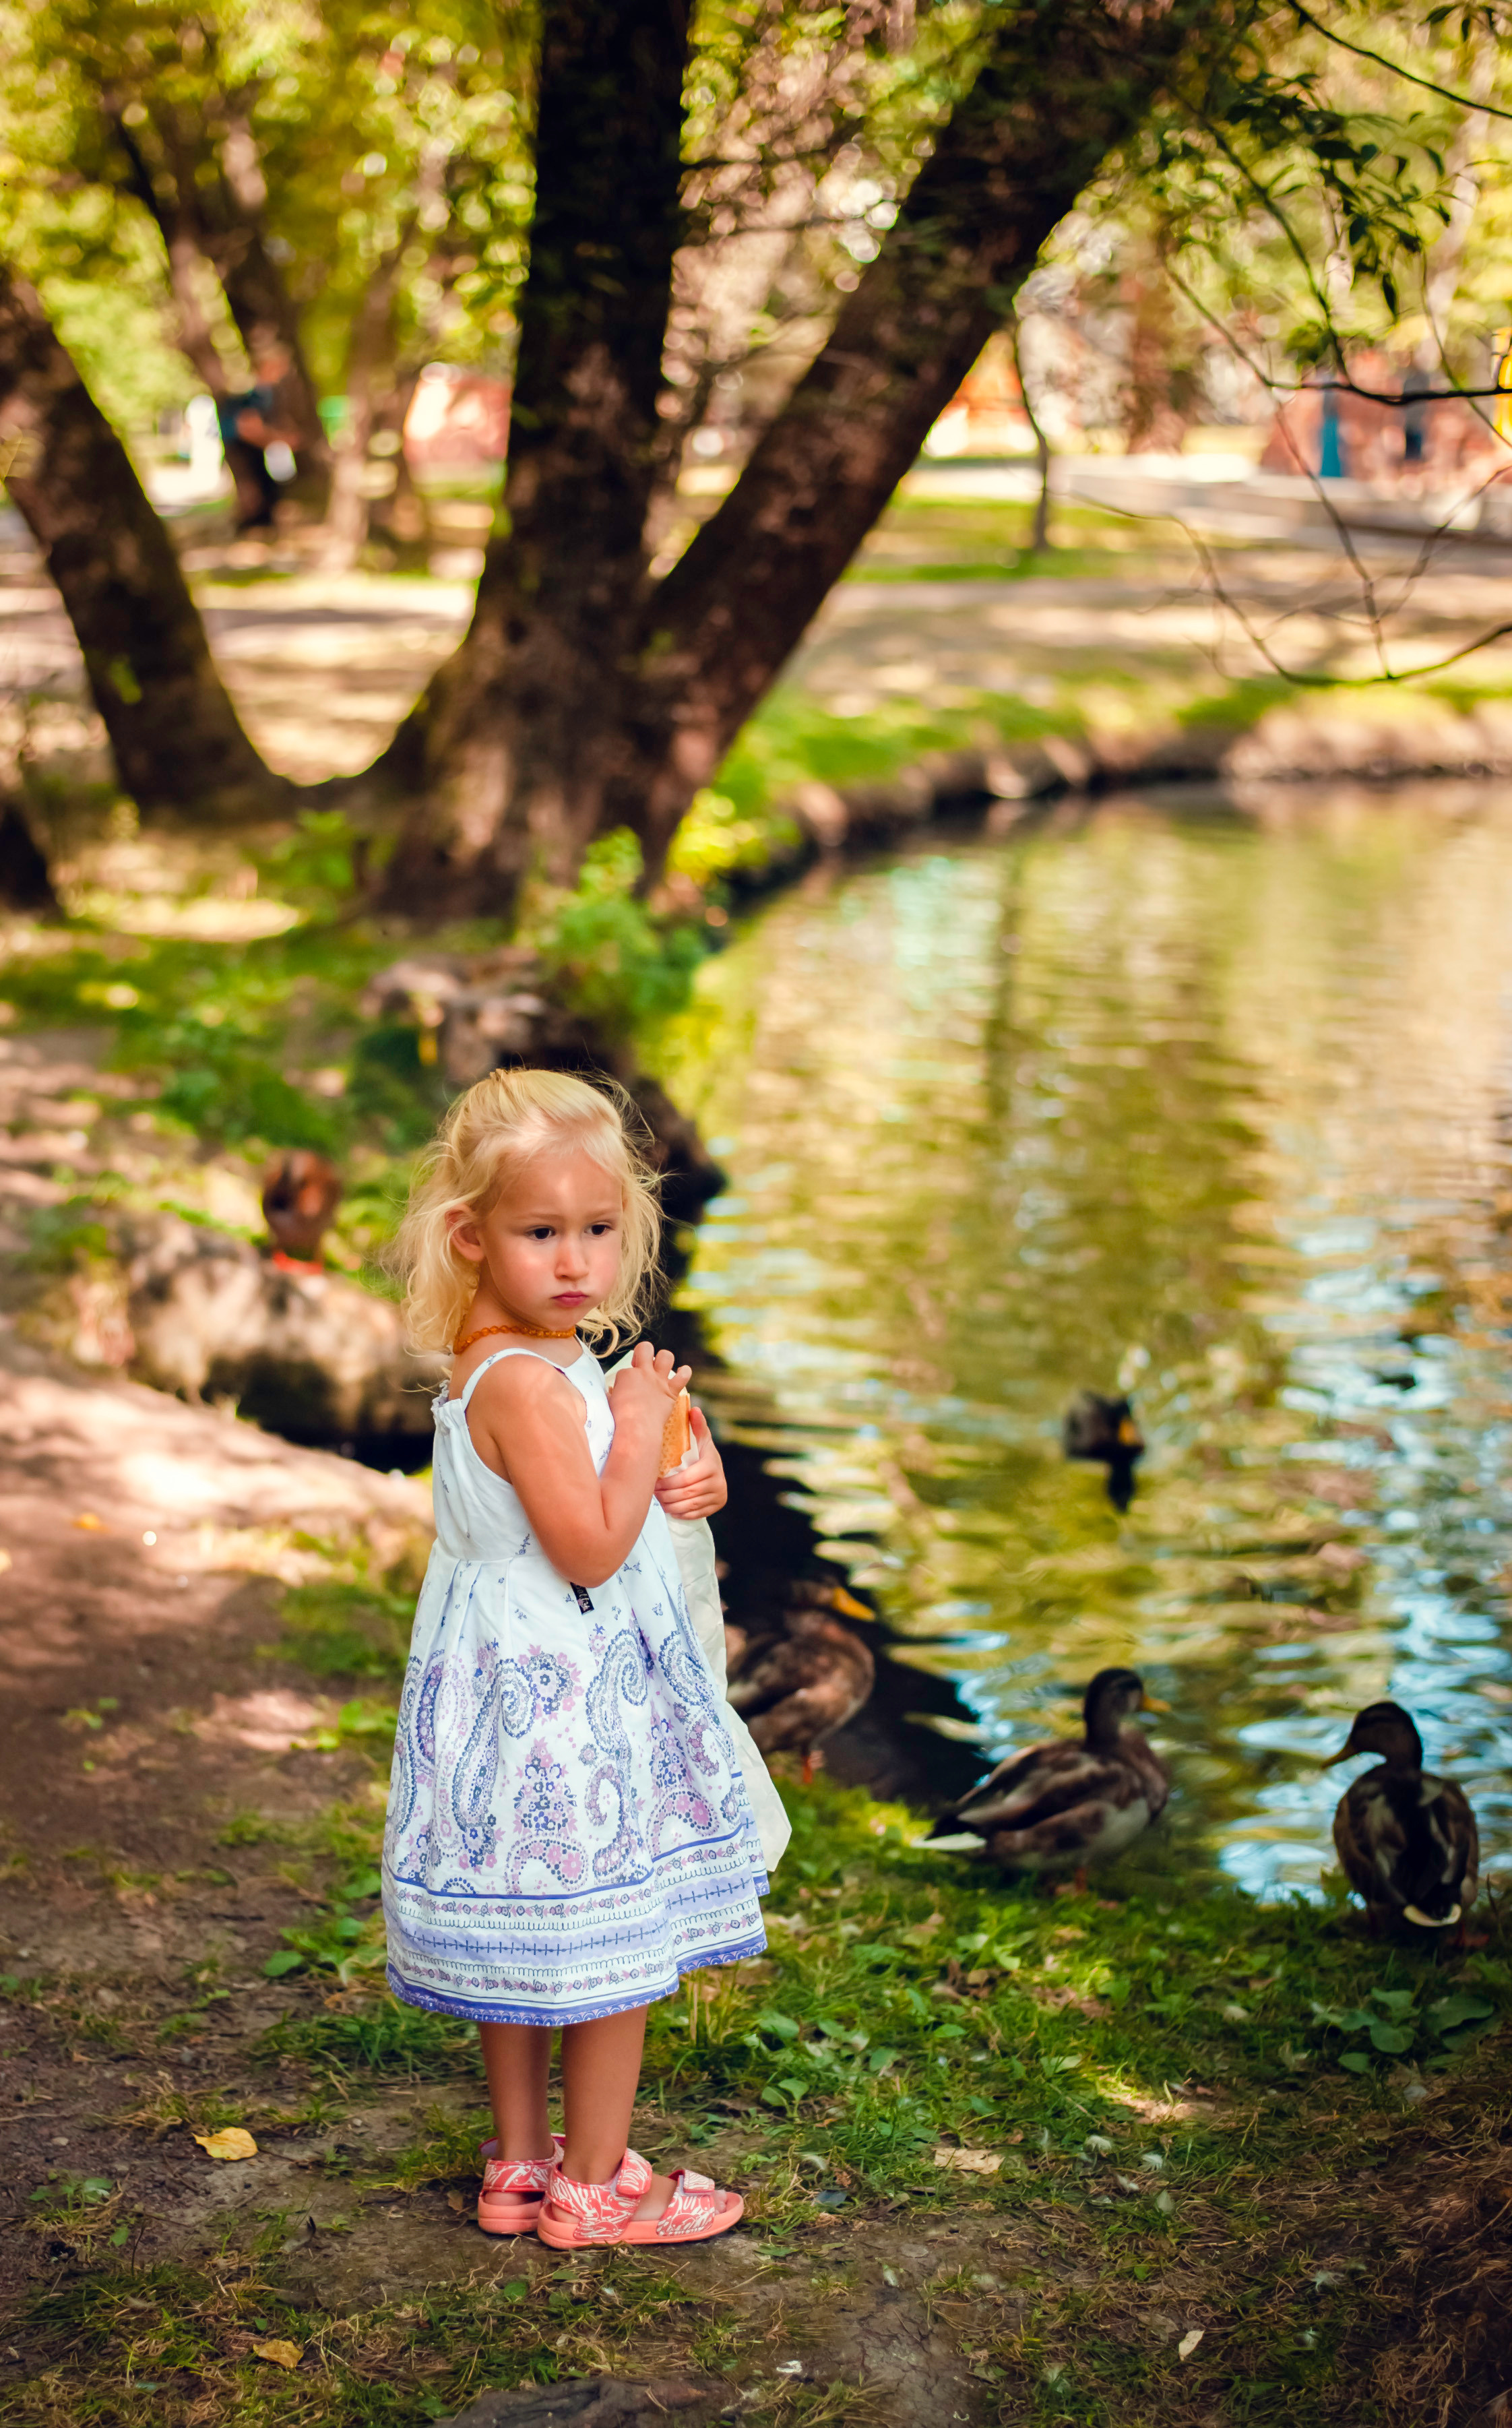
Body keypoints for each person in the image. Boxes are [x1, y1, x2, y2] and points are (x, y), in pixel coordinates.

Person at [383, 1068, 771, 2249]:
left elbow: (619, 1492)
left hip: (506, 1699)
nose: (574, 1261)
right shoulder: (527, 1384)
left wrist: (680, 1468)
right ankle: (594, 2185)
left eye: (597, 1230)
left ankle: (519, 2163)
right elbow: (593, 1546)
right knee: (614, 1946)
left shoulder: (508, 1354)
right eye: (539, 1231)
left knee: (524, 1940)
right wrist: (645, 1424)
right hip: (565, 1716)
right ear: (471, 1236)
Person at [216, 337, 298, 532]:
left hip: (252, 445)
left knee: (268, 486)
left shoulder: (267, 390)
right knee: (257, 489)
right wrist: (277, 439)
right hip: (242, 446)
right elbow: (247, 426)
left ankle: (261, 525)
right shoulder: (255, 390)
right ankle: (254, 527)